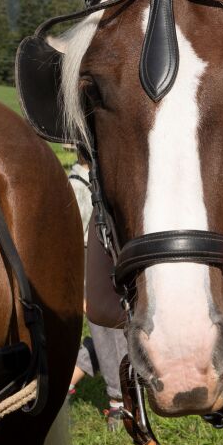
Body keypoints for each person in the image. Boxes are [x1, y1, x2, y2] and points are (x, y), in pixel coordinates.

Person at [68, 149, 128, 429]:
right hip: (90, 274)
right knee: (108, 339)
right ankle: (118, 405)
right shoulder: (77, 188)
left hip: (107, 269)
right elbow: (71, 243)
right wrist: (80, 291)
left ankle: (64, 384)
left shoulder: (96, 184)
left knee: (112, 336)